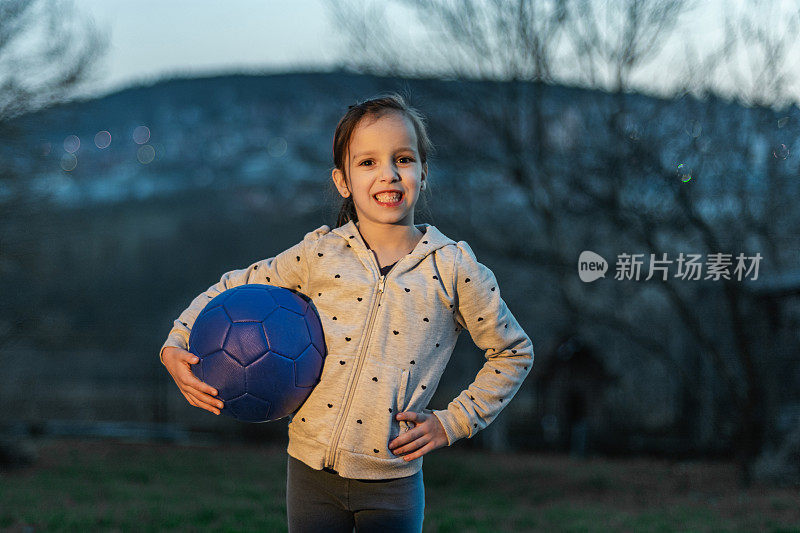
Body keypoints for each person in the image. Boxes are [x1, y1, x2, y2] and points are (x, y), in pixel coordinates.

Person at [159, 93, 535, 533]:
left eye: (403, 159)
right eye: (368, 162)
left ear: (423, 173)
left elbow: (513, 352)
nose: (389, 174)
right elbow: (234, 284)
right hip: (308, 474)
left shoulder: (453, 269)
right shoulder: (320, 253)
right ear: (343, 181)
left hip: (392, 483)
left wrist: (453, 422)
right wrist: (176, 342)